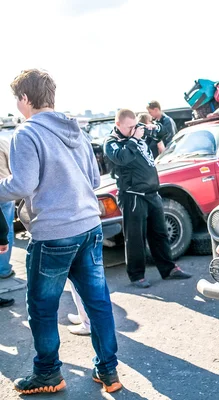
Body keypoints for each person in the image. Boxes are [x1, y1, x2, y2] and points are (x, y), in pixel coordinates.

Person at [1, 69, 121, 394]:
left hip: (54, 234)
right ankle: (109, 373)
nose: (16, 104)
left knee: (42, 308)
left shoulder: (26, 134)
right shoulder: (76, 129)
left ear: (26, 98)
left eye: (16, 98)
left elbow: (22, 184)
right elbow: (96, 181)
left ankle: (48, 374)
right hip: (90, 227)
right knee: (97, 302)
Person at [104, 109, 192, 288]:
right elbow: (122, 158)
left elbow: (164, 132)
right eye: (129, 127)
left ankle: (168, 269)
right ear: (118, 125)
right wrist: (135, 139)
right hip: (132, 195)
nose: (133, 129)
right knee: (135, 236)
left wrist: (153, 127)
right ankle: (137, 275)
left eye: (135, 125)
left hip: (152, 192)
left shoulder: (138, 130)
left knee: (160, 233)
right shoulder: (112, 142)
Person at [0, 138, 15, 281]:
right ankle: (3, 269)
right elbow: (14, 168)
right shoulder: (3, 142)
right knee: (6, 230)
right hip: (4, 192)